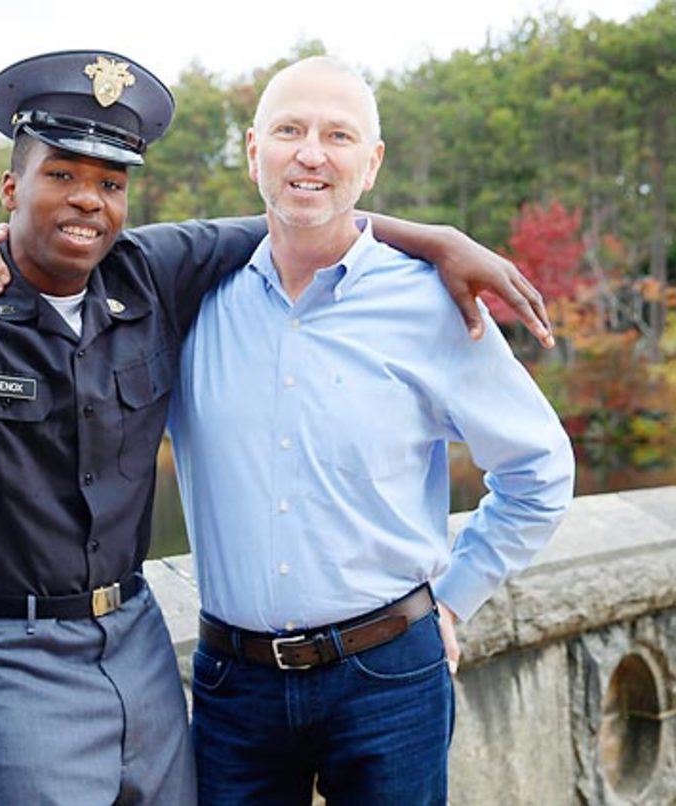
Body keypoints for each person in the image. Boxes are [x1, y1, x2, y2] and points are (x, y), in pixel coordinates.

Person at [0, 51, 553, 806]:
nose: (87, 199)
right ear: (12, 187)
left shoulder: (155, 274)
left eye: (109, 181)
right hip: (30, 664)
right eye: (63, 176)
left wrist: (438, 238)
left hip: (161, 652)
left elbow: (308, 210)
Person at [165, 57, 575, 804]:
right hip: (234, 687)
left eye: (338, 134)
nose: (311, 153)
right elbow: (69, 253)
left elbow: (539, 472)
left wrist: (454, 596)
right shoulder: (191, 299)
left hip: (389, 673)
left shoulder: (433, 304)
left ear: (372, 161)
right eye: (290, 130)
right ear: (254, 150)